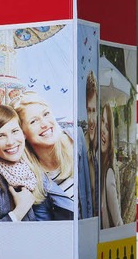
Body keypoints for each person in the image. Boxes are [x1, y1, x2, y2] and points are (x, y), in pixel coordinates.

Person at [0, 105, 73, 222]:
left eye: (14, 131)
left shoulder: (29, 171)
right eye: (0, 136)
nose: (10, 142)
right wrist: (18, 213)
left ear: (23, 134)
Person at [10, 91, 90, 220]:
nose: (45, 124)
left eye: (46, 114)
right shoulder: (30, 178)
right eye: (34, 121)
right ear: (22, 133)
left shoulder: (80, 143)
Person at [100, 104, 123, 229]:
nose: (103, 129)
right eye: (102, 122)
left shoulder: (109, 172)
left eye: (107, 127)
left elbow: (117, 220)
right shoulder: (100, 165)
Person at [85, 71, 100, 215]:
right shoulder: (82, 149)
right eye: (88, 110)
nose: (91, 118)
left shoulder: (101, 147)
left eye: (94, 111)